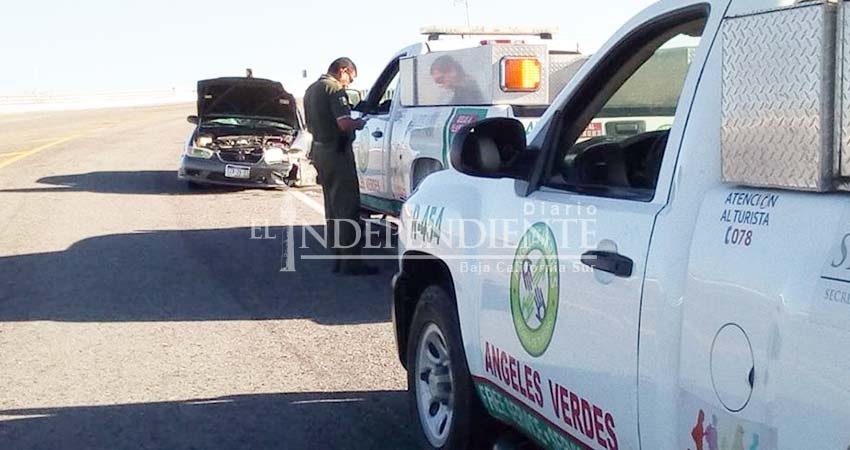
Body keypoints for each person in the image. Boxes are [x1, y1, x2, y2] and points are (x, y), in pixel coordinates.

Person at [303, 57, 377, 276]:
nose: (348, 84)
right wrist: (359, 123)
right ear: (343, 71)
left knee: (332, 208)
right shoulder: (334, 89)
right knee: (347, 207)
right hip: (337, 153)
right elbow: (344, 123)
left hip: (320, 151)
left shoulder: (311, 89)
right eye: (349, 79)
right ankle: (351, 263)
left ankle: (337, 258)